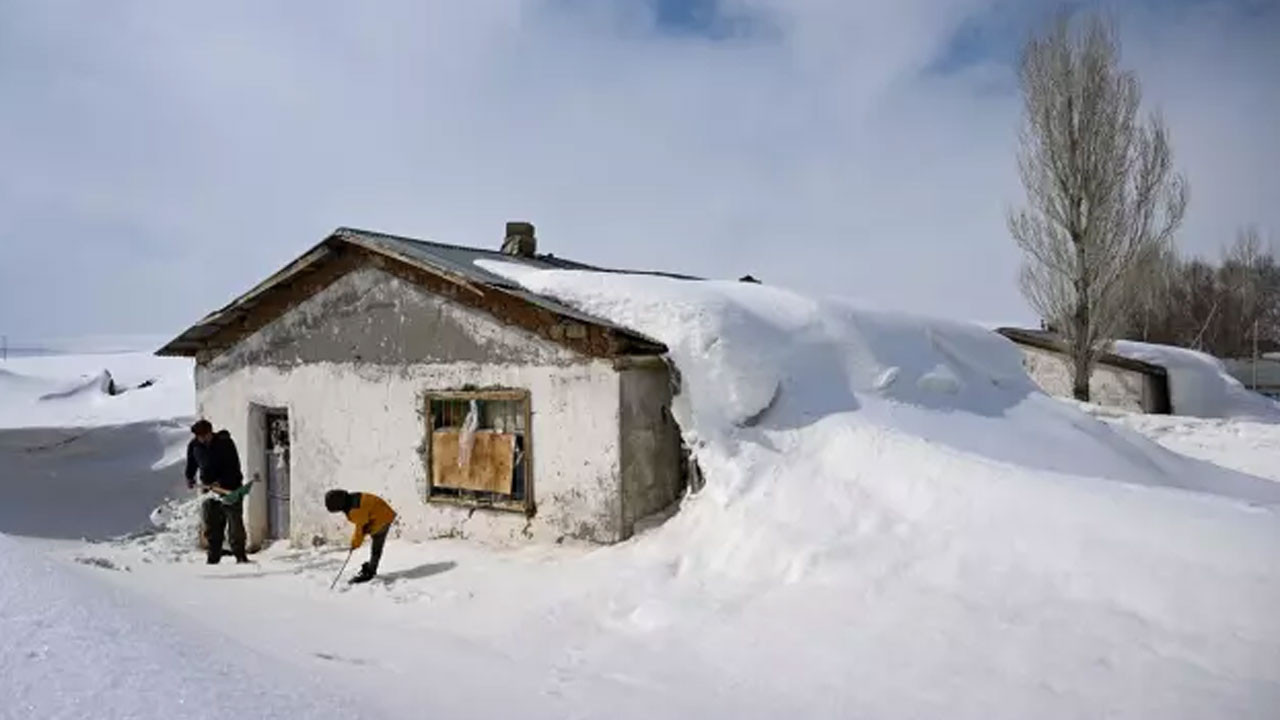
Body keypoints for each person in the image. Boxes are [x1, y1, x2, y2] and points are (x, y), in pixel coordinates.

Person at [185, 419, 248, 564]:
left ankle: (240, 555)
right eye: (198, 436)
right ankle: (213, 556)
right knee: (212, 524)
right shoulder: (194, 445)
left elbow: (233, 466)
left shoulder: (225, 443)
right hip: (209, 490)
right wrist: (190, 477)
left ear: (210, 433)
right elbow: (192, 463)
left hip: (230, 489)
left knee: (235, 524)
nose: (201, 439)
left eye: (203, 435)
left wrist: (221, 481)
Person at [324, 489, 397, 584]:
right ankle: (371, 567)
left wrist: (354, 544)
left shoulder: (355, 511)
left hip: (383, 518)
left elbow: (360, 530)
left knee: (376, 546)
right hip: (381, 512)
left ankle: (370, 572)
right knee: (375, 544)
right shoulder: (352, 498)